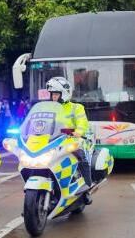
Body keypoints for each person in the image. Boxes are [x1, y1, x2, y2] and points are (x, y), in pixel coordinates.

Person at [46, 76, 91, 204]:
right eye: (52, 94)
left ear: (64, 94)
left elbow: (82, 123)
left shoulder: (76, 107)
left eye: (55, 94)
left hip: (71, 140)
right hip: (53, 141)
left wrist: (78, 132)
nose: (53, 97)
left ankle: (86, 188)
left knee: (81, 156)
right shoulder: (50, 108)